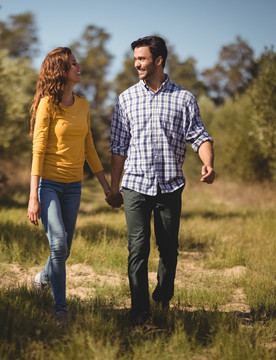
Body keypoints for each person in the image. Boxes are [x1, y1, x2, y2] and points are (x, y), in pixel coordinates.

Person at [106, 35, 215, 323]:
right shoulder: (126, 99)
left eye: (141, 59)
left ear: (158, 60)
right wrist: (114, 188)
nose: (136, 64)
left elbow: (200, 136)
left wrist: (208, 163)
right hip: (136, 186)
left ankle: (163, 297)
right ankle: (139, 310)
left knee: (168, 249)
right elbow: (118, 148)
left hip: (169, 186)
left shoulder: (184, 98)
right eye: (135, 59)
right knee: (137, 247)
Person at [27, 47, 110, 322]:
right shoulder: (47, 105)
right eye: (74, 63)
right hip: (48, 184)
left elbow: (89, 147)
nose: (80, 66)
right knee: (59, 244)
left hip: (74, 186)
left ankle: (41, 278)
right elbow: (38, 149)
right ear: (62, 70)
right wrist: (33, 196)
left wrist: (105, 186)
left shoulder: (84, 105)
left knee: (64, 250)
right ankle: (60, 309)